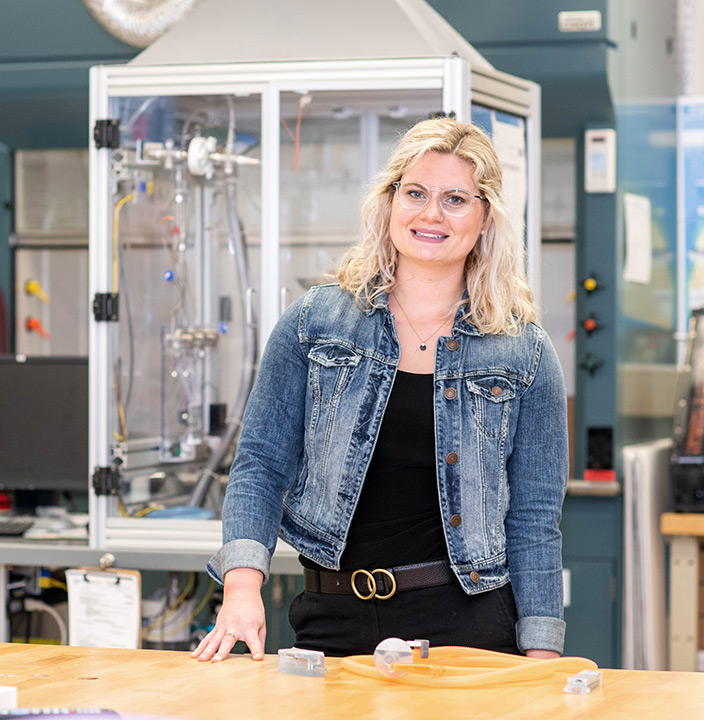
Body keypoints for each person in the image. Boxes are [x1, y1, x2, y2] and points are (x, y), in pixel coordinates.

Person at [191, 116, 568, 663]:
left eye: (456, 199)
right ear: (389, 202)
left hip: (467, 628)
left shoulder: (522, 351)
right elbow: (260, 464)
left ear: (485, 218)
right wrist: (242, 589)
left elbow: (534, 517)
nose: (431, 213)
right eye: (415, 193)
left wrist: (542, 657)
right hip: (333, 622)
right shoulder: (315, 323)